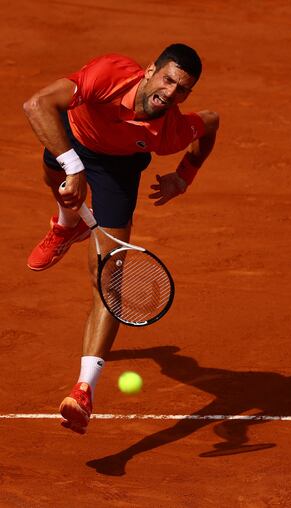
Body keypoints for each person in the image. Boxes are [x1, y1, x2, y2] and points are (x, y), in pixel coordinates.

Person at [23, 44, 219, 435]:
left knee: (108, 280)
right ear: (150, 71)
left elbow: (210, 122)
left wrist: (184, 176)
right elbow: (36, 106)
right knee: (56, 177)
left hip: (118, 171)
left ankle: (83, 391)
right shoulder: (107, 74)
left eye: (182, 90)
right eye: (167, 79)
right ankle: (67, 223)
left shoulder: (171, 131)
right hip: (74, 140)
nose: (170, 93)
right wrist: (73, 166)